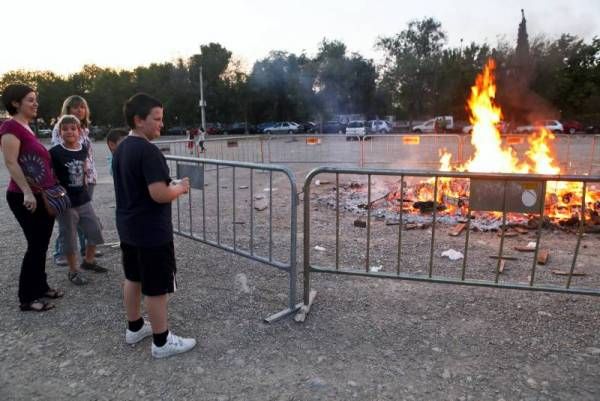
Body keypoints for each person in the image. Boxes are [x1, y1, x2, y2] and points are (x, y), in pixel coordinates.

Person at [113, 93, 196, 358]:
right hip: (151, 232)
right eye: (157, 119)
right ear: (139, 120)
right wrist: (180, 188)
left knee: (133, 278)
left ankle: (135, 327)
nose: (162, 124)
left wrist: (168, 187)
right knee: (157, 287)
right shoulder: (148, 151)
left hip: (129, 228)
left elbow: (140, 187)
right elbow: (158, 193)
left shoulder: (122, 147)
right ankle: (161, 342)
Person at [0, 84, 63, 311]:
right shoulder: (10, 127)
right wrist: (27, 191)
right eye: (30, 100)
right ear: (16, 103)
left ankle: (41, 286)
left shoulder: (26, 127)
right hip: (23, 196)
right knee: (35, 245)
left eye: (35, 99)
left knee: (42, 244)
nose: (35, 103)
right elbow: (10, 162)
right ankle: (27, 298)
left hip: (41, 195)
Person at [50, 115, 107, 285]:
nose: (69, 131)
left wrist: (85, 185)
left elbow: (84, 168)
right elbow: (48, 174)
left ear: (79, 131)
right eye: (65, 129)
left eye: (73, 128)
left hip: (83, 199)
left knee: (95, 229)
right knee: (70, 237)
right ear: (60, 132)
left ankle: (88, 262)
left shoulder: (83, 148)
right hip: (66, 203)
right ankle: (73, 271)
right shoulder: (55, 152)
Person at [51, 95, 99, 266]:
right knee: (69, 219)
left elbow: (88, 155)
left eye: (82, 107)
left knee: (84, 217)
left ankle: (85, 248)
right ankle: (60, 252)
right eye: (75, 107)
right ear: (68, 109)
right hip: (70, 179)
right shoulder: (61, 128)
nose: (80, 110)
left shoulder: (84, 129)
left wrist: (90, 175)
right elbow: (60, 152)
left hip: (88, 177)